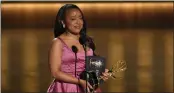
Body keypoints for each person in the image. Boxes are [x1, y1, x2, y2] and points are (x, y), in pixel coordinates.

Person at [47, 4, 110, 93]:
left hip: (88, 87)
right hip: (66, 88)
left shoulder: (86, 40)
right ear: (63, 22)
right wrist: (79, 81)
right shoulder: (58, 42)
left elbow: (89, 68)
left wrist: (100, 74)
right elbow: (55, 73)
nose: (78, 22)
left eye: (80, 18)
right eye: (73, 19)